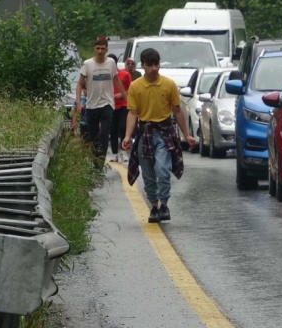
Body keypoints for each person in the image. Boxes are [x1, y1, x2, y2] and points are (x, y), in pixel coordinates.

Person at [123, 48, 195, 223]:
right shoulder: (136, 86)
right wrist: (127, 136)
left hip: (164, 133)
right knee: (147, 173)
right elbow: (133, 113)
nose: (154, 68)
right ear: (143, 66)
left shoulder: (168, 84)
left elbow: (177, 110)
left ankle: (164, 204)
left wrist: (187, 135)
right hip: (144, 131)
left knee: (162, 169)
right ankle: (154, 207)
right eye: (150, 65)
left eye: (156, 64)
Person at [76, 38, 128, 160]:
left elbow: (116, 80)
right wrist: (78, 102)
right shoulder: (87, 64)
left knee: (104, 133)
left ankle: (101, 161)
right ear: (94, 49)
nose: (100, 51)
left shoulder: (110, 63)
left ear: (106, 50)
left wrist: (126, 98)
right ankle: (95, 160)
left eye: (103, 49)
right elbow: (79, 84)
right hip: (92, 104)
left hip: (107, 103)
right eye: (98, 48)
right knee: (93, 136)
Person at [110, 58, 132, 162]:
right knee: (113, 130)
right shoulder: (105, 76)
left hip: (123, 104)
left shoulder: (125, 74)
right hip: (111, 105)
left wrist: (122, 94)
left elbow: (131, 89)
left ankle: (124, 151)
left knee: (123, 127)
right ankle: (115, 153)